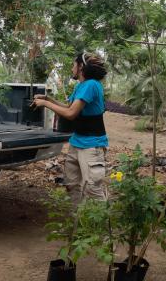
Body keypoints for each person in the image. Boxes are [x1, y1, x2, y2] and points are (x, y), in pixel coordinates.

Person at [32, 52, 109, 200]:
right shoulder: (81, 86)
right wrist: (48, 98)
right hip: (77, 142)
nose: (72, 68)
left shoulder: (91, 84)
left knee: (92, 189)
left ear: (81, 67)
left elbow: (71, 114)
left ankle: (100, 223)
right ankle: (79, 220)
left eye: (74, 65)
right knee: (72, 185)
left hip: (92, 146)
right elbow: (69, 107)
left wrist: (46, 104)